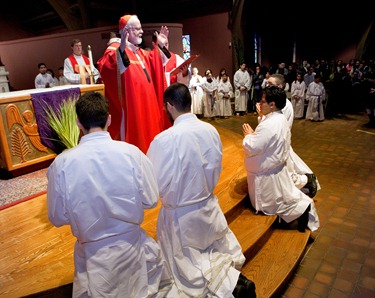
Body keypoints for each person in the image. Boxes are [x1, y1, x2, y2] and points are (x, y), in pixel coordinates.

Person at [46, 91, 175, 298]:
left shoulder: (61, 164)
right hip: (133, 251)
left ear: (78, 123)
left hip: (92, 256)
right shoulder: (132, 153)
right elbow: (151, 200)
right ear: (109, 119)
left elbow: (57, 217)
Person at [147, 83, 255, 298]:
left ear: (169, 106)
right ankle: (229, 281)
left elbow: (152, 184)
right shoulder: (210, 130)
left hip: (180, 218)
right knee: (209, 253)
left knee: (189, 270)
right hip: (208, 208)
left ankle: (225, 285)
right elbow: (215, 164)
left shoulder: (163, 140)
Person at [242, 86, 320, 232]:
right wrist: (261, 118)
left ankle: (301, 210)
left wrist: (248, 135)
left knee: (271, 204)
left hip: (266, 175)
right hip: (275, 170)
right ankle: (300, 208)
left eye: (263, 101)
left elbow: (252, 147)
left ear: (272, 104)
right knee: (281, 198)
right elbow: (268, 139)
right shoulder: (279, 118)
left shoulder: (269, 124)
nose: (260, 103)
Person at [97, 15, 170, 154]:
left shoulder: (140, 53)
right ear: (126, 32)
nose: (141, 31)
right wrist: (122, 50)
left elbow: (157, 62)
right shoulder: (115, 50)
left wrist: (161, 44)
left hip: (149, 106)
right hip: (133, 108)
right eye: (137, 29)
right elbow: (107, 66)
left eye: (141, 28)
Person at [265, 73, 319, 197]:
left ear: (279, 86)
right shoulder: (273, 101)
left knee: (288, 173)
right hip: (274, 142)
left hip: (280, 143)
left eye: (270, 84)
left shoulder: (285, 105)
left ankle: (306, 181)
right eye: (267, 83)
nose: (267, 86)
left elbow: (280, 126)